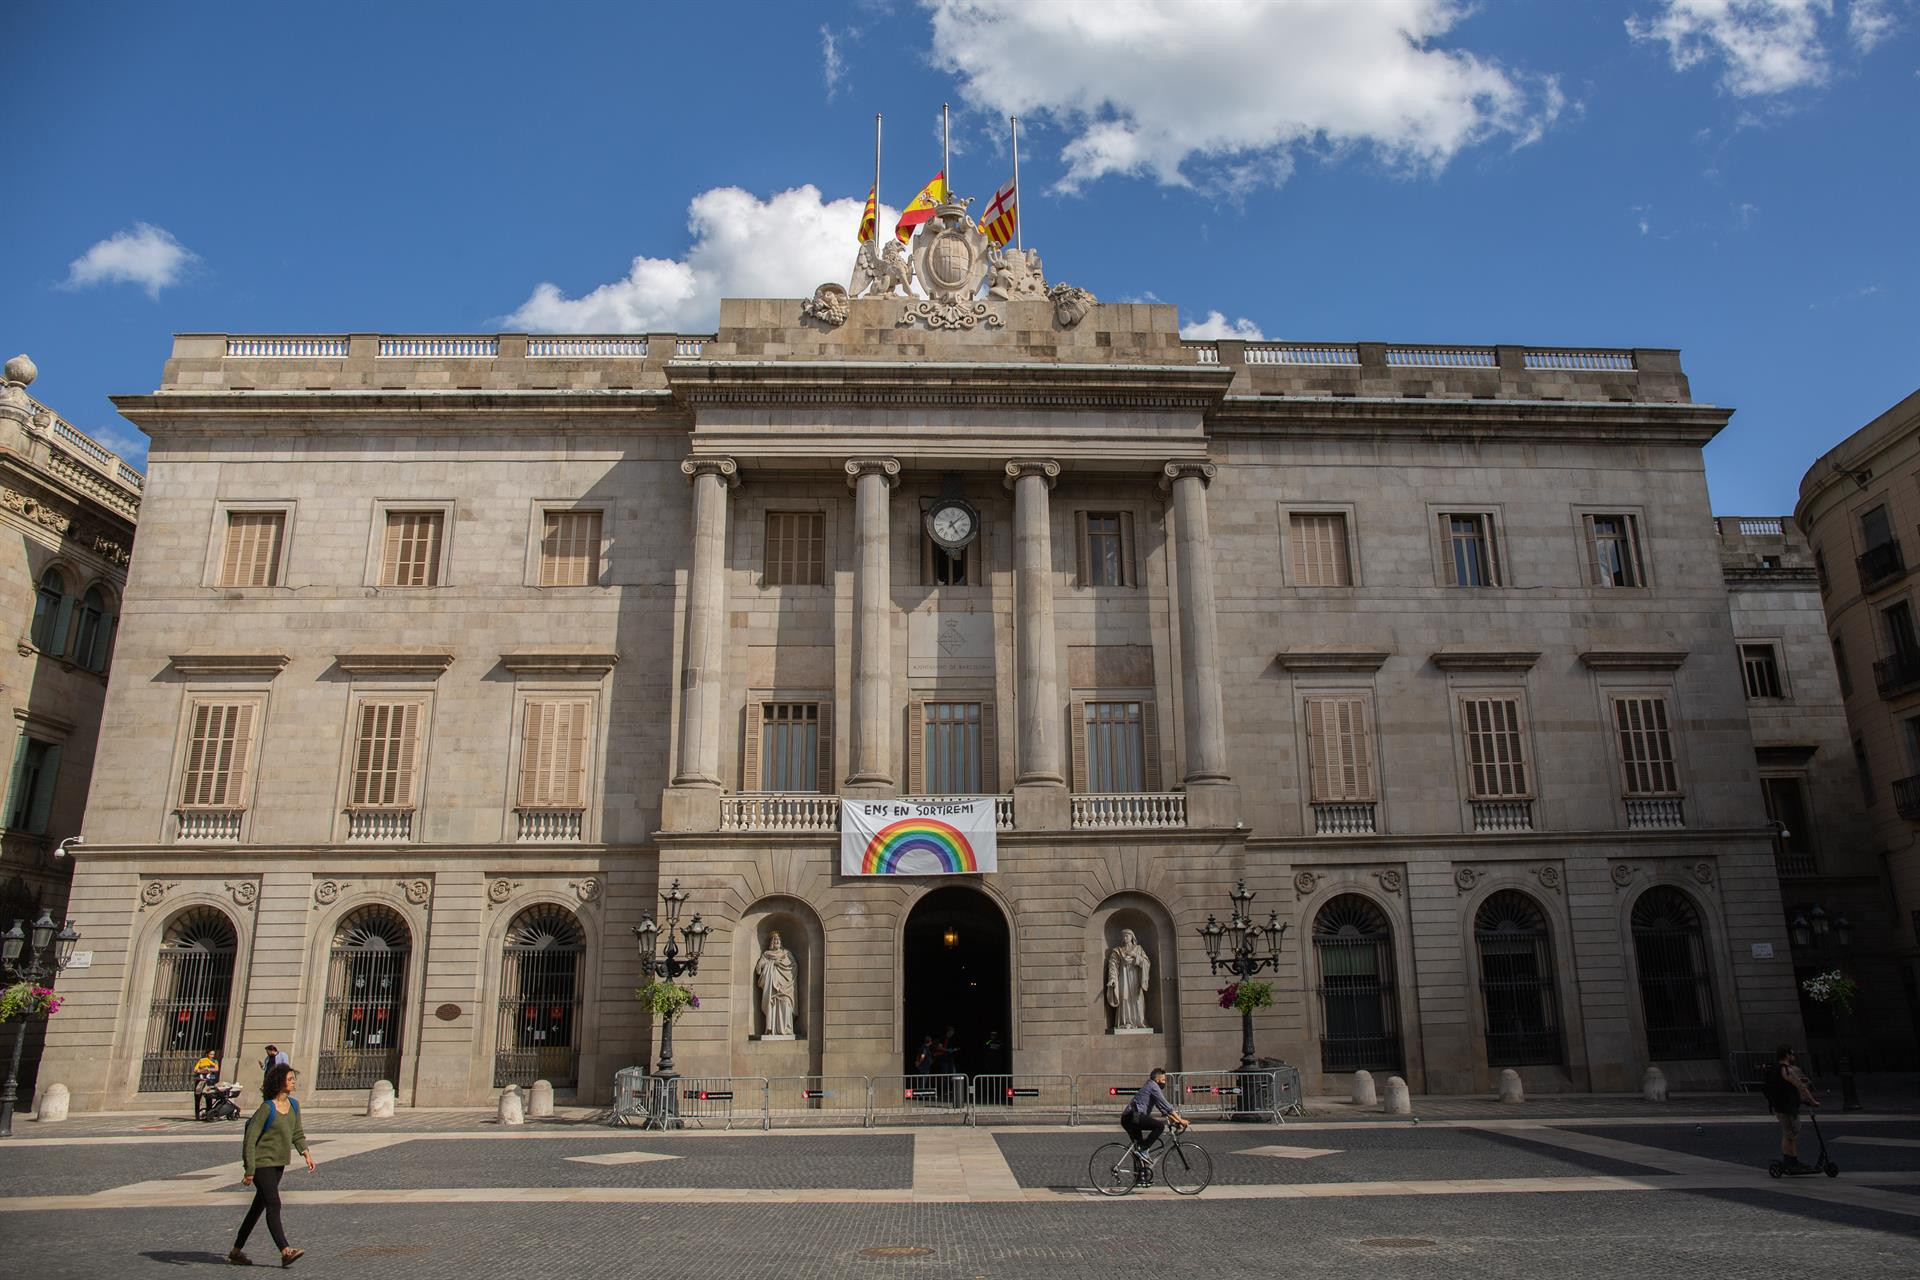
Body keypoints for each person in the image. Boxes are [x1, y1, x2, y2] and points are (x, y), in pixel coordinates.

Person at [230, 1062, 315, 1268]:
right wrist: (249, 1170)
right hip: (261, 1164)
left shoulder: (294, 1105)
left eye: (293, 1079)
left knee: (258, 1207)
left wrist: (306, 1153)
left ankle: (236, 1251)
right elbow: (250, 1140)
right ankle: (285, 1251)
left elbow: (297, 1133)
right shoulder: (267, 1108)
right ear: (279, 1082)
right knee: (274, 1203)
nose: (293, 1082)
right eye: (290, 1079)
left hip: (278, 1164)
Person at [1120, 1067, 1188, 1181]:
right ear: (1157, 1080)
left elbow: (1163, 1109)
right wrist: (1181, 1121)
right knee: (1159, 1126)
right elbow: (1166, 1106)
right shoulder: (1153, 1087)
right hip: (1133, 1116)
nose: (1164, 1083)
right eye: (1164, 1080)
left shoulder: (1150, 1086)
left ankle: (1140, 1178)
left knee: (1138, 1147)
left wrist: (1175, 1120)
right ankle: (1143, 1150)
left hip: (1129, 1117)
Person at [1763, 1043, 1819, 1170]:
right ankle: (1790, 1160)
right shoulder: (1787, 1070)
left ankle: (1791, 1159)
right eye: (1792, 1054)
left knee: (1789, 1132)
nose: (1793, 1056)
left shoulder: (1776, 1069)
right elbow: (1801, 1086)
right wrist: (1812, 1101)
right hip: (1788, 1107)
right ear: (1787, 1055)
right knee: (1792, 1132)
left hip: (1779, 1105)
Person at [192, 1052, 220, 1120]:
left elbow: (216, 1069)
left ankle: (209, 1114)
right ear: (207, 1054)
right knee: (197, 1097)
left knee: (209, 1097)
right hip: (200, 1080)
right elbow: (196, 1070)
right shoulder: (202, 1060)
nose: (212, 1056)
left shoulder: (214, 1061)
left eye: (213, 1054)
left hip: (210, 1080)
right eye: (211, 1054)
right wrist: (203, 1070)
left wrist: (209, 1070)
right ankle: (197, 1115)